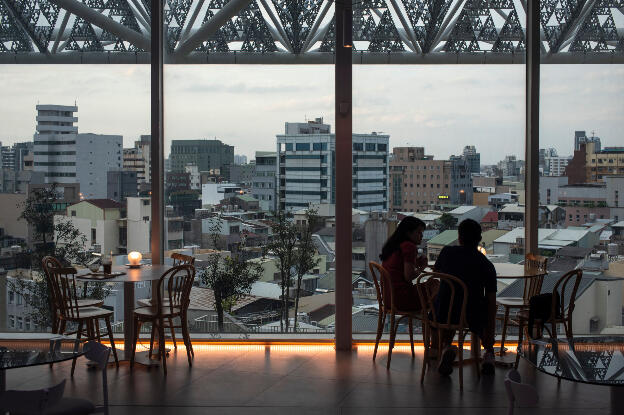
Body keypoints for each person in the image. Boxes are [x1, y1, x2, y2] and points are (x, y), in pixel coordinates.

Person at [433, 218, 497, 376]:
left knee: (449, 303)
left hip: (443, 313)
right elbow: (491, 299)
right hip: (471, 315)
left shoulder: (447, 252)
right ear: (479, 239)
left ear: (459, 237)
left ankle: (447, 347)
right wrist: (490, 328)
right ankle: (488, 352)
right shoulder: (486, 264)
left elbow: (436, 272)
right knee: (486, 307)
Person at [380, 216, 434, 312]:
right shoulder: (409, 246)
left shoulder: (393, 245)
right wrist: (422, 267)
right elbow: (409, 277)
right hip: (401, 300)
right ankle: (435, 322)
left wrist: (416, 263)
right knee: (435, 284)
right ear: (408, 233)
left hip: (388, 299)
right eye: (419, 232)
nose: (421, 236)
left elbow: (398, 267)